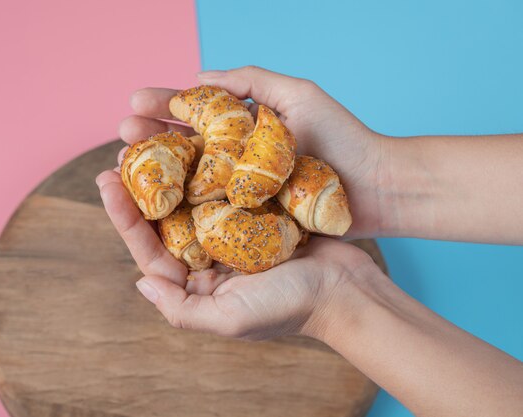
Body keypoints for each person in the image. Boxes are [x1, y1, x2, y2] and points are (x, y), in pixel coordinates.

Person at [95, 66, 523, 417]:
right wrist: (383, 181)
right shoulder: (215, 192)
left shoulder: (224, 192)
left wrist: (332, 302)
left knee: (237, 191)